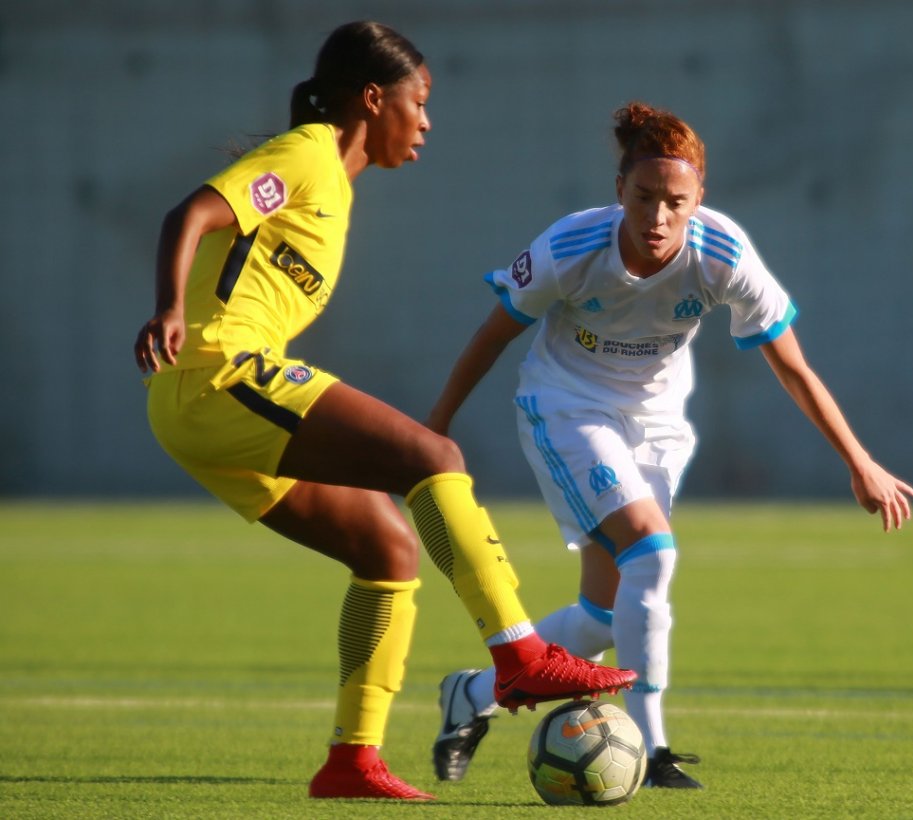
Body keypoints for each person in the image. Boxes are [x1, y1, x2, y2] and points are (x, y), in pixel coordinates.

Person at [132, 21, 636, 803]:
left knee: (387, 549)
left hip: (201, 407)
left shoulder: (332, 184)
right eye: (419, 101)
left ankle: (352, 761)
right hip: (215, 373)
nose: (427, 121)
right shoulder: (307, 154)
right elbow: (187, 216)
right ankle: (519, 654)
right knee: (434, 458)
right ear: (374, 98)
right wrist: (169, 308)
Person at [428, 101, 913, 789]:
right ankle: (653, 749)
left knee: (603, 615)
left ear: (699, 201)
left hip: (656, 423)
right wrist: (436, 427)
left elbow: (793, 367)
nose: (657, 217)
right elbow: (492, 336)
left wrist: (859, 462)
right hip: (567, 408)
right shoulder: (571, 249)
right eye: (644, 197)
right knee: (652, 552)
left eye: (674, 202)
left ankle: (471, 696)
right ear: (620, 191)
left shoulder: (723, 255)